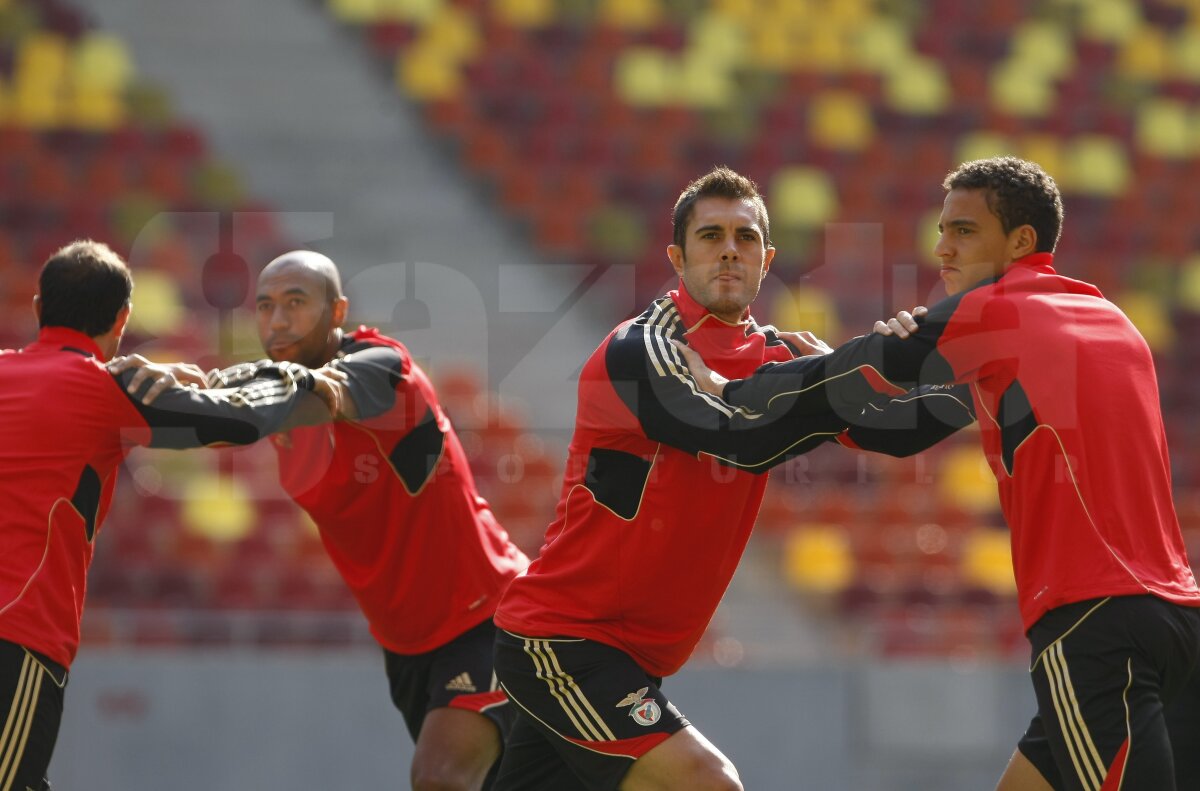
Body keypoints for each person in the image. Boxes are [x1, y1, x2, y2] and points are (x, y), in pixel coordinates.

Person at [676, 157, 1200, 790]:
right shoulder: (1108, 320)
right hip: (1175, 620)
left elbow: (873, 364)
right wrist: (846, 375)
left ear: (1021, 241)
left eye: (964, 231)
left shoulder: (997, 311)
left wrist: (734, 389)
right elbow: (909, 427)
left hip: (1094, 625)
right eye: (942, 229)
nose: (942, 248)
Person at [487, 166, 975, 791]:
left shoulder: (780, 359)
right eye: (710, 235)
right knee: (710, 783)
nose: (728, 250)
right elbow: (738, 438)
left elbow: (898, 432)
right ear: (677, 258)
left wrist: (972, 369)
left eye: (745, 238)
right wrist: (847, 370)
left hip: (628, 657)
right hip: (564, 641)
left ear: (766, 260)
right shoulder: (640, 351)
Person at [115, 250, 530, 791]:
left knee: (441, 778)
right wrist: (127, 390)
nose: (278, 320)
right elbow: (225, 417)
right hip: (407, 646)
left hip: (489, 618)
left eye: (296, 303)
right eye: (266, 306)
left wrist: (195, 388)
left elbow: (290, 398)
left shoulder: (385, 371)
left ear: (338, 312)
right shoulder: (275, 395)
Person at [0, 240, 345, 791]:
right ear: (122, 319)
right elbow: (237, 423)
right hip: (16, 633)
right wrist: (300, 379)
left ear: (39, 308)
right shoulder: (105, 390)